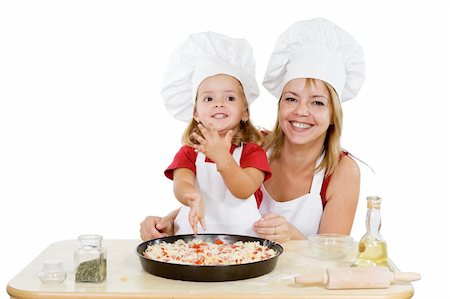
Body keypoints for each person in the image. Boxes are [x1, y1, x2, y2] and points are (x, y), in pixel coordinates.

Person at [141, 18, 365, 242]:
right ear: (279, 104)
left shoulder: (342, 172)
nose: (301, 111)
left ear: (333, 114)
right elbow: (215, 201)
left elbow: (334, 258)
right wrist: (169, 222)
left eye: (317, 102)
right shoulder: (252, 142)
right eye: (291, 99)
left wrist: (293, 236)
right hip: (237, 267)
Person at [160, 32, 271, 236]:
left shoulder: (252, 153)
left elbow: (244, 189)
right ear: (195, 112)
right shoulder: (189, 153)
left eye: (229, 97)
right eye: (208, 99)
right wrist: (192, 196)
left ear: (245, 111)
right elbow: (182, 182)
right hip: (192, 244)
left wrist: (223, 158)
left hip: (245, 247)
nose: (219, 103)